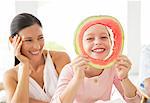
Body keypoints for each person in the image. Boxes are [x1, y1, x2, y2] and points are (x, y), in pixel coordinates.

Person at [51, 16, 141, 103]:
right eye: (89, 38)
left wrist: (124, 78)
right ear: (80, 44)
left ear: (111, 41)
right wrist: (77, 78)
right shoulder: (70, 70)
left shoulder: (113, 68)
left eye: (103, 37)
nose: (98, 42)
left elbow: (136, 101)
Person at [3, 13, 70, 103]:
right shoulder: (11, 76)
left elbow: (72, 97)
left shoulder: (60, 58)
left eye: (40, 38)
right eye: (29, 40)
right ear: (13, 40)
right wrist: (24, 65)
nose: (37, 46)